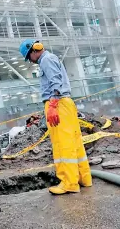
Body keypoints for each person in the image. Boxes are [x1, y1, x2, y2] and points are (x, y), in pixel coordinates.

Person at [19, 39, 92, 195]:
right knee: (74, 141)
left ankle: (69, 183)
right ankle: (83, 177)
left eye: (29, 58)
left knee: (62, 143)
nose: (31, 62)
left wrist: (52, 106)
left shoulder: (46, 60)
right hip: (65, 104)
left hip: (57, 103)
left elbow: (55, 83)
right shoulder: (51, 58)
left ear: (33, 51)